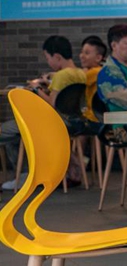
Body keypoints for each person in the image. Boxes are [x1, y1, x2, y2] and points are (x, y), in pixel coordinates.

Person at [1, 35, 91, 190]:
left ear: (57, 57)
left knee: (8, 130)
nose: (48, 62)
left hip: (57, 123)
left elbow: (52, 103)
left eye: (48, 58)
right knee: (19, 131)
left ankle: (24, 176)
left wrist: (35, 88)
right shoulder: (80, 73)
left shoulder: (62, 76)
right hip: (76, 122)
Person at [80, 35, 107, 122]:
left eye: (86, 53)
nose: (81, 56)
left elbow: (75, 79)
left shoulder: (95, 72)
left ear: (98, 58)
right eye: (82, 52)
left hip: (93, 117)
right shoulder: (103, 70)